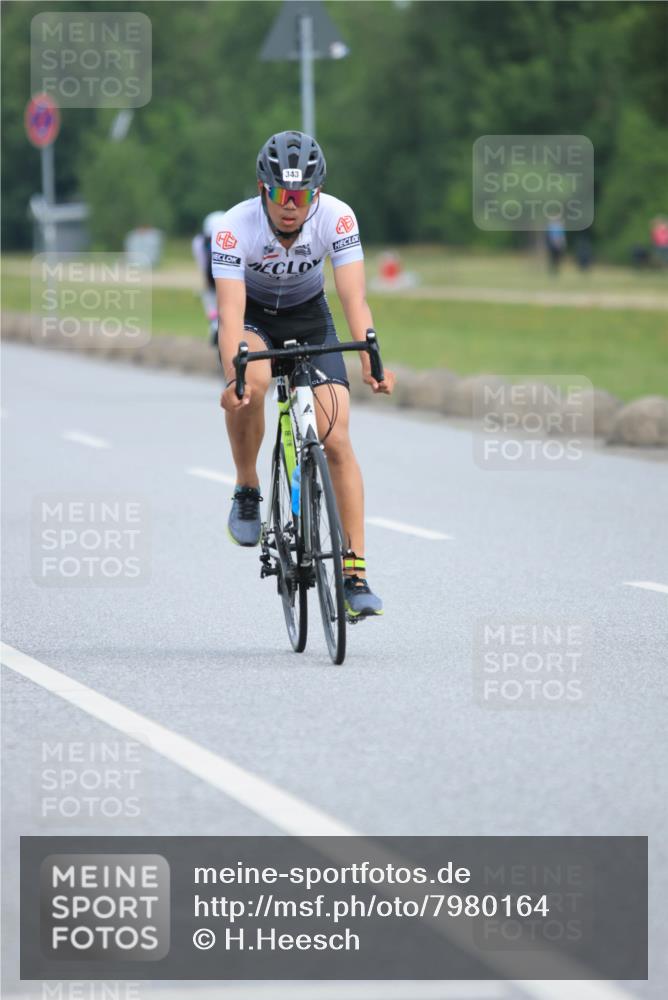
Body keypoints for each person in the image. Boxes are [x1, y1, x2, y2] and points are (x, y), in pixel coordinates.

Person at [213, 130, 395, 619]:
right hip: (254, 317)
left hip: (309, 314)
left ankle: (354, 576)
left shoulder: (338, 217)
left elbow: (353, 296)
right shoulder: (234, 228)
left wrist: (369, 358)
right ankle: (248, 485)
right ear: (261, 188)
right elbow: (229, 316)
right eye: (279, 194)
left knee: (336, 437)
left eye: (300, 196)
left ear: (316, 193)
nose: (290, 206)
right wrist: (235, 376)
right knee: (250, 383)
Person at [192, 210, 227, 344]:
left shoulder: (199, 241)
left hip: (217, 276)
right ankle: (215, 325)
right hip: (216, 275)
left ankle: (215, 324)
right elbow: (202, 263)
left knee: (213, 301)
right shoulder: (199, 242)